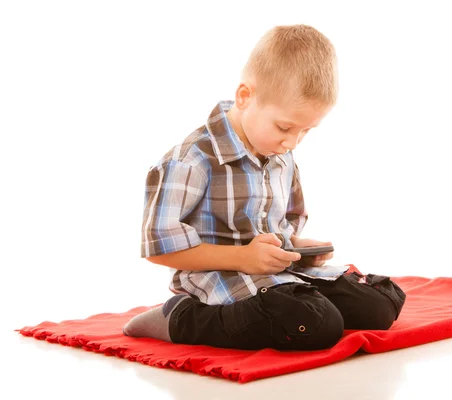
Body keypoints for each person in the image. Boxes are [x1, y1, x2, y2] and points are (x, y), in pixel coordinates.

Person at [123, 24, 406, 350]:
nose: (292, 142)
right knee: (316, 324)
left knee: (381, 303)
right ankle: (181, 317)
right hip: (220, 278)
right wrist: (243, 258)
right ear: (245, 97)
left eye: (305, 131)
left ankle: (298, 303)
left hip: (278, 276)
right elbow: (158, 248)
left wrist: (297, 246)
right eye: (285, 127)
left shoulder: (280, 153)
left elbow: (284, 221)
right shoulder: (191, 161)